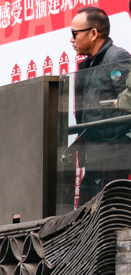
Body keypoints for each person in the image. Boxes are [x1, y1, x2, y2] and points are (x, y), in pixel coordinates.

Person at [73, 5, 131, 199]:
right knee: (83, 220)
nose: (72, 39)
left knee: (109, 218)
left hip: (114, 160)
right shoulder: (85, 66)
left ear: (93, 33)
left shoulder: (116, 58)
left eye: (75, 33)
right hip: (94, 159)